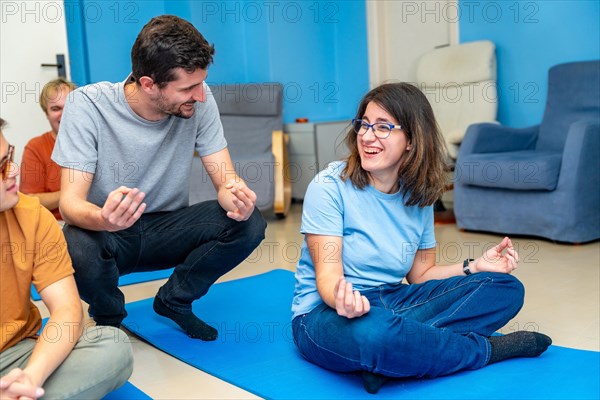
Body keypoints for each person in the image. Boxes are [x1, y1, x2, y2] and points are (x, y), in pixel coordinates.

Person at [291, 83, 552, 394]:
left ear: (412, 141)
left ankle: (396, 358)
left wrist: (476, 267)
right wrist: (342, 300)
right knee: (375, 335)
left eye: (383, 127)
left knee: (506, 289)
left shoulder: (418, 196)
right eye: (364, 124)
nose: (367, 136)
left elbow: (421, 275)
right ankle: (486, 352)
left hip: (392, 301)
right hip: (326, 314)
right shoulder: (329, 187)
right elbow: (328, 278)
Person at [52, 15, 266, 341]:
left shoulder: (199, 101)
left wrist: (232, 194)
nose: (201, 95)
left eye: (201, 83)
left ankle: (174, 301)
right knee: (76, 243)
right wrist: (104, 219)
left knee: (249, 222)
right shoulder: (87, 105)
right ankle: (109, 319)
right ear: (149, 84)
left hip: (167, 228)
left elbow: (226, 180)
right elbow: (69, 204)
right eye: (188, 87)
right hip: (109, 234)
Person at [0, 118, 133, 400]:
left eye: (9, 156)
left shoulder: (31, 215)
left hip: (17, 354)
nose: (13, 170)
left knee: (112, 345)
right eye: (0, 167)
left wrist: (31, 378)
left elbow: (67, 309)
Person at [20, 78, 76, 220]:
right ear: (46, 114)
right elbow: (29, 200)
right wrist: (76, 190)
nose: (64, 114)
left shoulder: (97, 141)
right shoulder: (36, 147)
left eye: (69, 106)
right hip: (56, 223)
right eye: (56, 109)